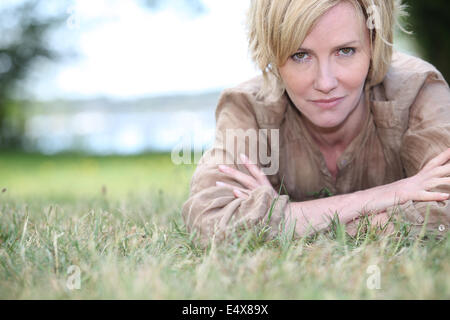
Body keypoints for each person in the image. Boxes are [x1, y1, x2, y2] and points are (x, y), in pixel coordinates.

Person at [182, 0, 450, 246]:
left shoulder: (418, 91)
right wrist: (391, 193)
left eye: (345, 51)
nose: (325, 83)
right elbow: (210, 221)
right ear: (274, 57)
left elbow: (443, 214)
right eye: (300, 55)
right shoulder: (249, 108)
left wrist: (288, 220)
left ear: (374, 44)